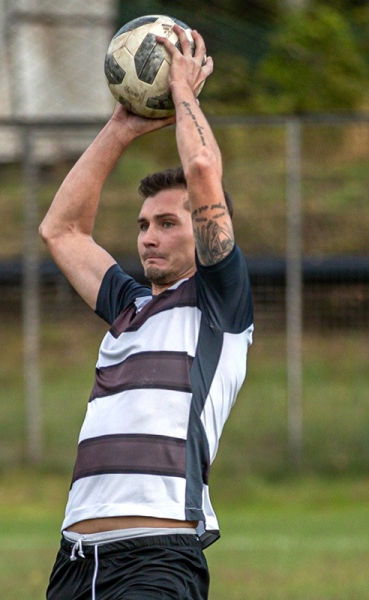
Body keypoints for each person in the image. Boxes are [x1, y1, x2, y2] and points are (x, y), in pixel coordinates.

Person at [39, 25, 254, 600]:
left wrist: (182, 91)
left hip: (157, 559)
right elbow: (60, 230)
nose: (148, 237)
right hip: (75, 561)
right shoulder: (127, 306)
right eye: (142, 225)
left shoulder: (218, 303)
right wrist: (119, 128)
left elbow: (203, 169)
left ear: (205, 230)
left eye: (167, 223)